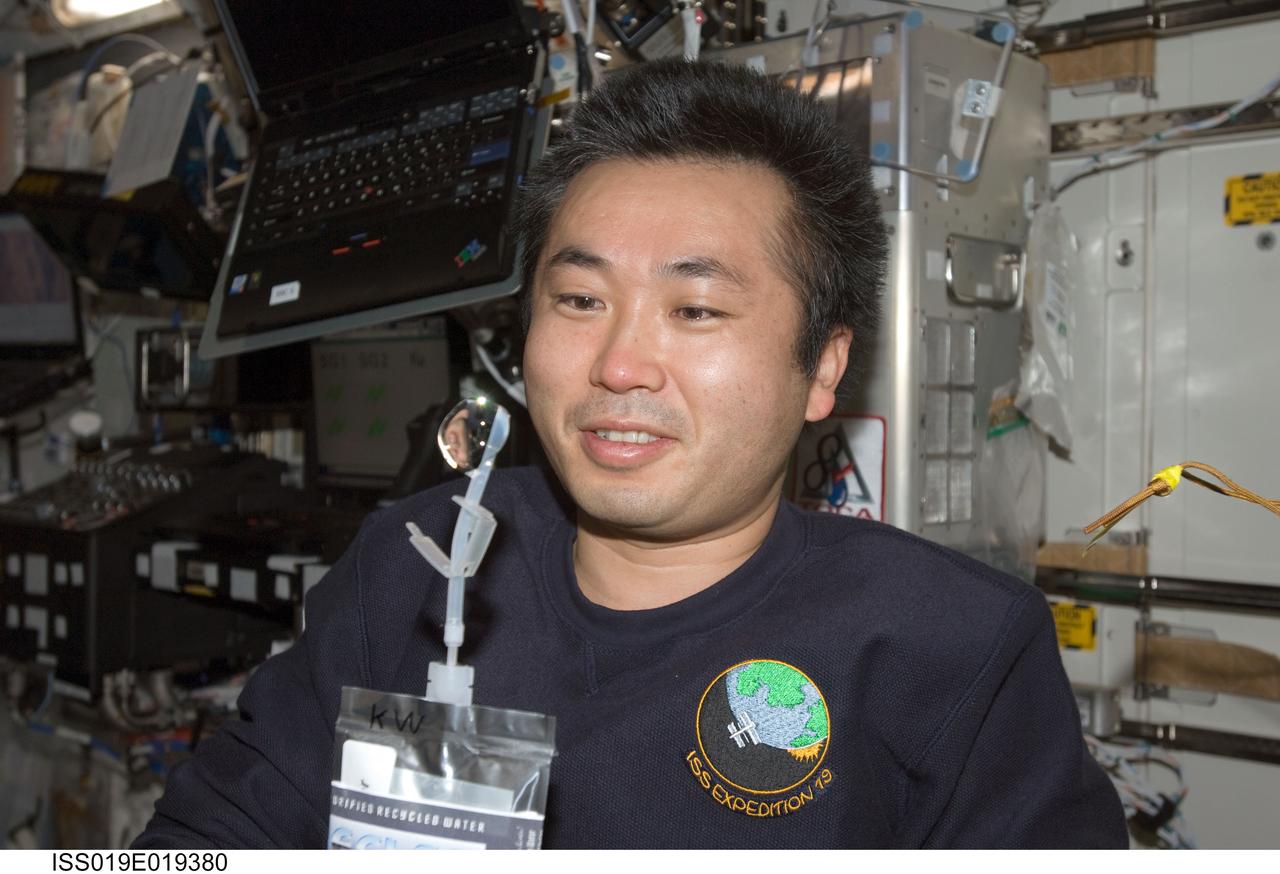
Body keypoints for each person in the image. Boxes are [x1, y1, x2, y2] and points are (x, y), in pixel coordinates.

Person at [135, 59, 1127, 849]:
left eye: (695, 310)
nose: (617, 364)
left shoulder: (946, 648)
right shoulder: (415, 566)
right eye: (579, 299)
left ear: (822, 367)